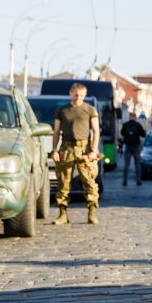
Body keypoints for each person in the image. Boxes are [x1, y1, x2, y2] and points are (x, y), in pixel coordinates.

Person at [51, 83, 101, 225]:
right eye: (75, 94)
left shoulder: (90, 110)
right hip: (66, 148)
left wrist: (93, 150)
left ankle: (91, 213)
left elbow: (96, 130)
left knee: (89, 181)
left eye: (81, 95)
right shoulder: (62, 110)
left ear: (84, 95)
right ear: (70, 93)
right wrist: (54, 150)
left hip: (84, 149)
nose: (78, 97)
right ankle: (62, 214)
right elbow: (56, 131)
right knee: (63, 182)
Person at [120, 112, 146, 187]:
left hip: (127, 146)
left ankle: (125, 181)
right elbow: (143, 135)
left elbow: (122, 133)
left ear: (129, 117)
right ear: (135, 117)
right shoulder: (138, 125)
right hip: (136, 146)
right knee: (137, 165)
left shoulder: (125, 124)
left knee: (126, 165)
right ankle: (138, 181)